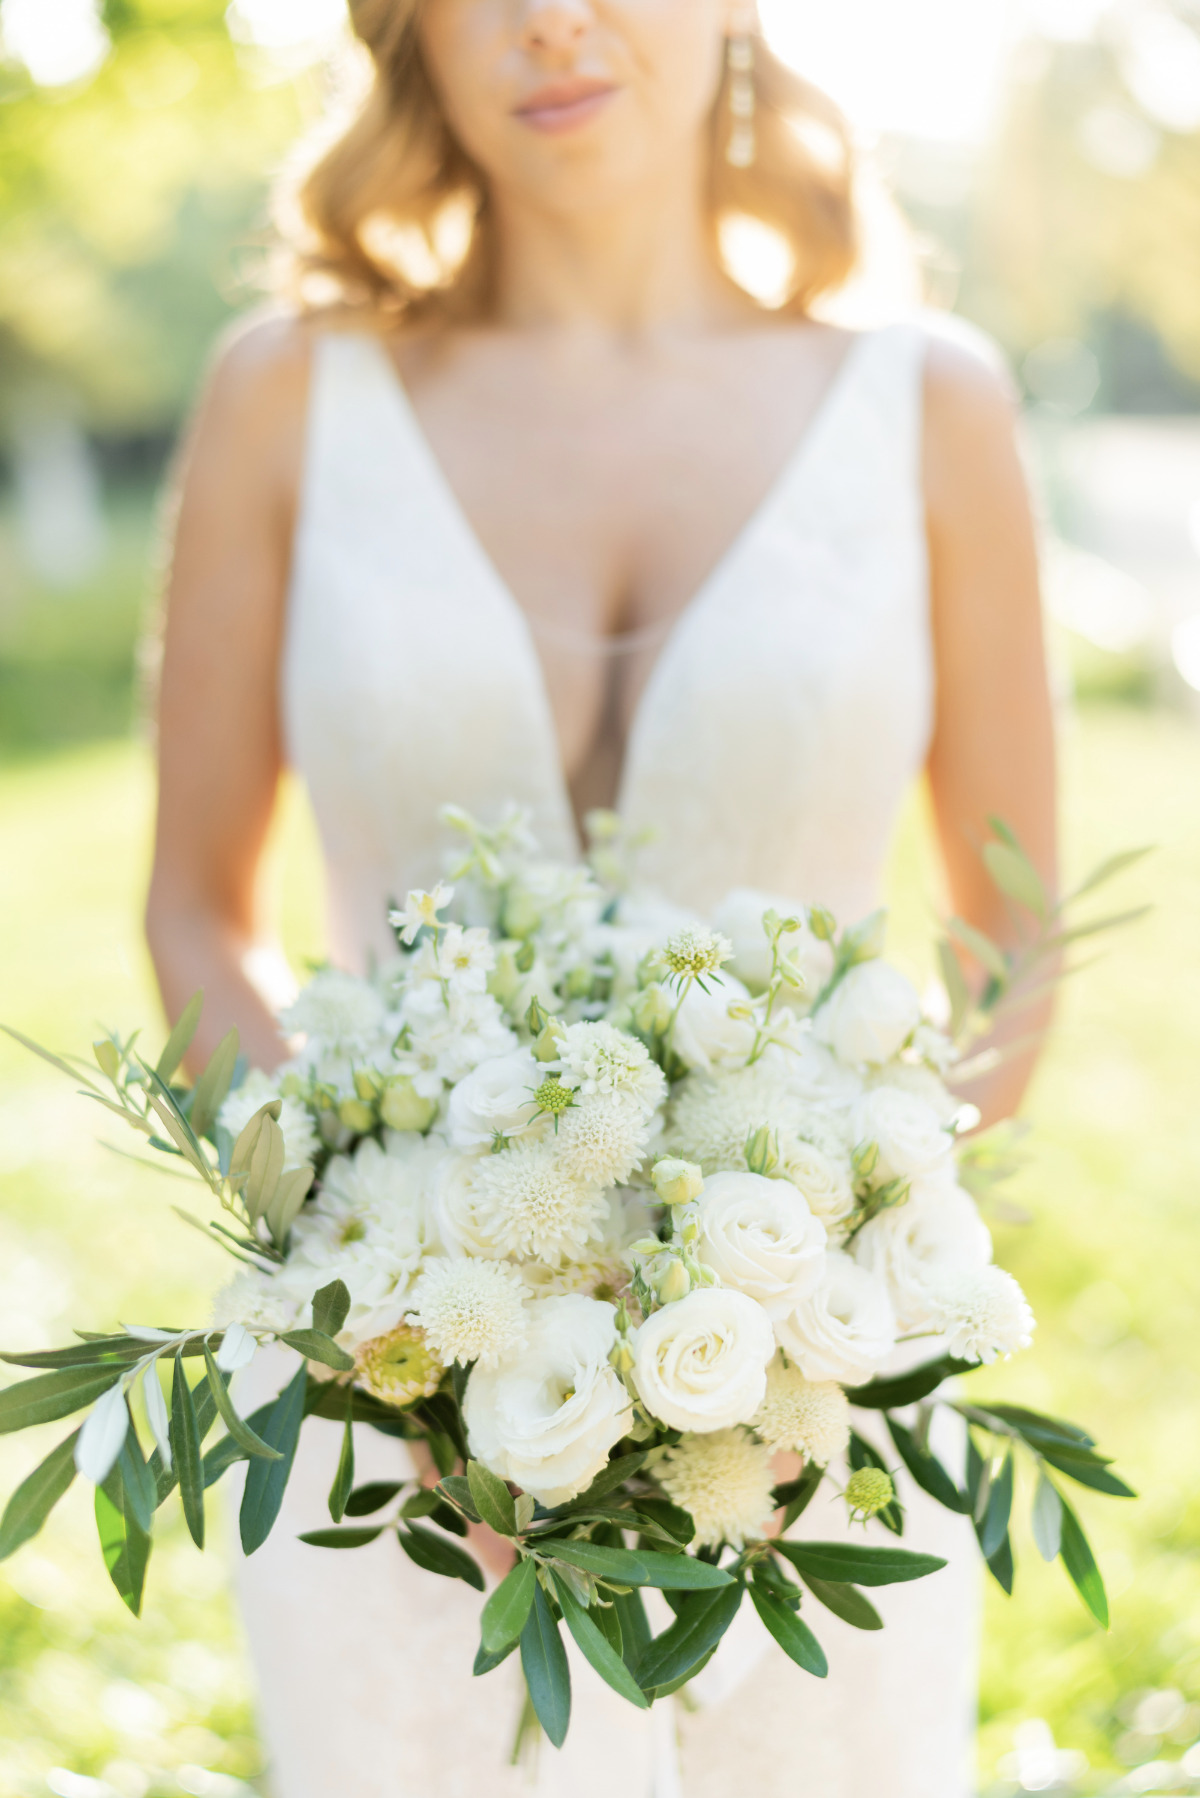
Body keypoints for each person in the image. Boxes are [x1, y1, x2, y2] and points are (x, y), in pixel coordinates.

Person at [146, 2, 1057, 1794]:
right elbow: (194, 906)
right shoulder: (287, 394)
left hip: (817, 1416)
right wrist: (376, 1318)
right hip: (374, 1436)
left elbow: (1013, 934)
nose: (549, 19)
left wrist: (817, 1302)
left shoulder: (930, 406)